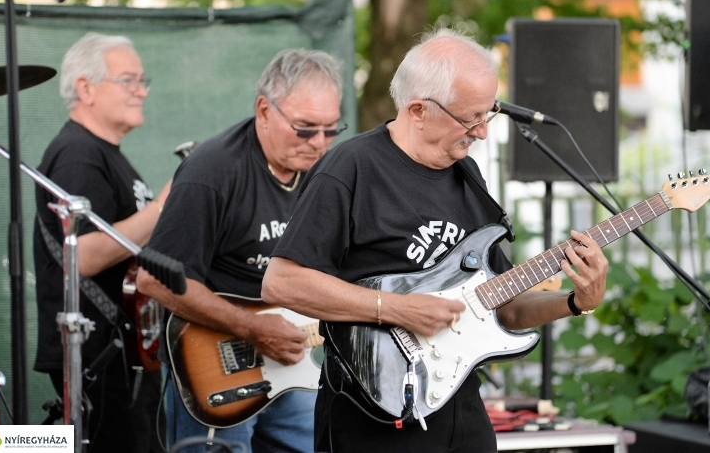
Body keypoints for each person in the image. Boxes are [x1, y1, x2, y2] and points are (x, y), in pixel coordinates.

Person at [261, 29, 610, 453]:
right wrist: (395, 308)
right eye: (471, 118)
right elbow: (281, 282)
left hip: (460, 412)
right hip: (371, 414)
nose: (482, 132)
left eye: (488, 114)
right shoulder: (352, 168)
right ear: (418, 110)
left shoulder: (468, 177)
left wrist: (577, 301)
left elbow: (505, 307)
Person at [135, 48, 345, 453]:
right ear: (264, 110)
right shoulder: (211, 171)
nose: (319, 142)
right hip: (215, 369)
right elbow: (153, 280)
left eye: (331, 129)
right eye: (304, 128)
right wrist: (251, 328)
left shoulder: (321, 174)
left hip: (290, 366)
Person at [33, 32, 171, 453]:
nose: (141, 91)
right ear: (86, 88)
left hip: (122, 351)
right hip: (98, 354)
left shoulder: (104, 153)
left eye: (143, 81)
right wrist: (163, 206)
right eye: (128, 80)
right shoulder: (78, 154)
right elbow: (88, 255)